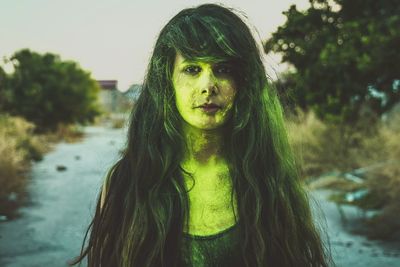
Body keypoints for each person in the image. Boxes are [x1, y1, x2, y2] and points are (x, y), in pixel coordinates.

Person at [71, 3, 332, 267]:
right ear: (168, 82)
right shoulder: (126, 182)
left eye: (223, 69)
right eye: (192, 69)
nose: (208, 86)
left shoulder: (268, 180)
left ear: (243, 83)